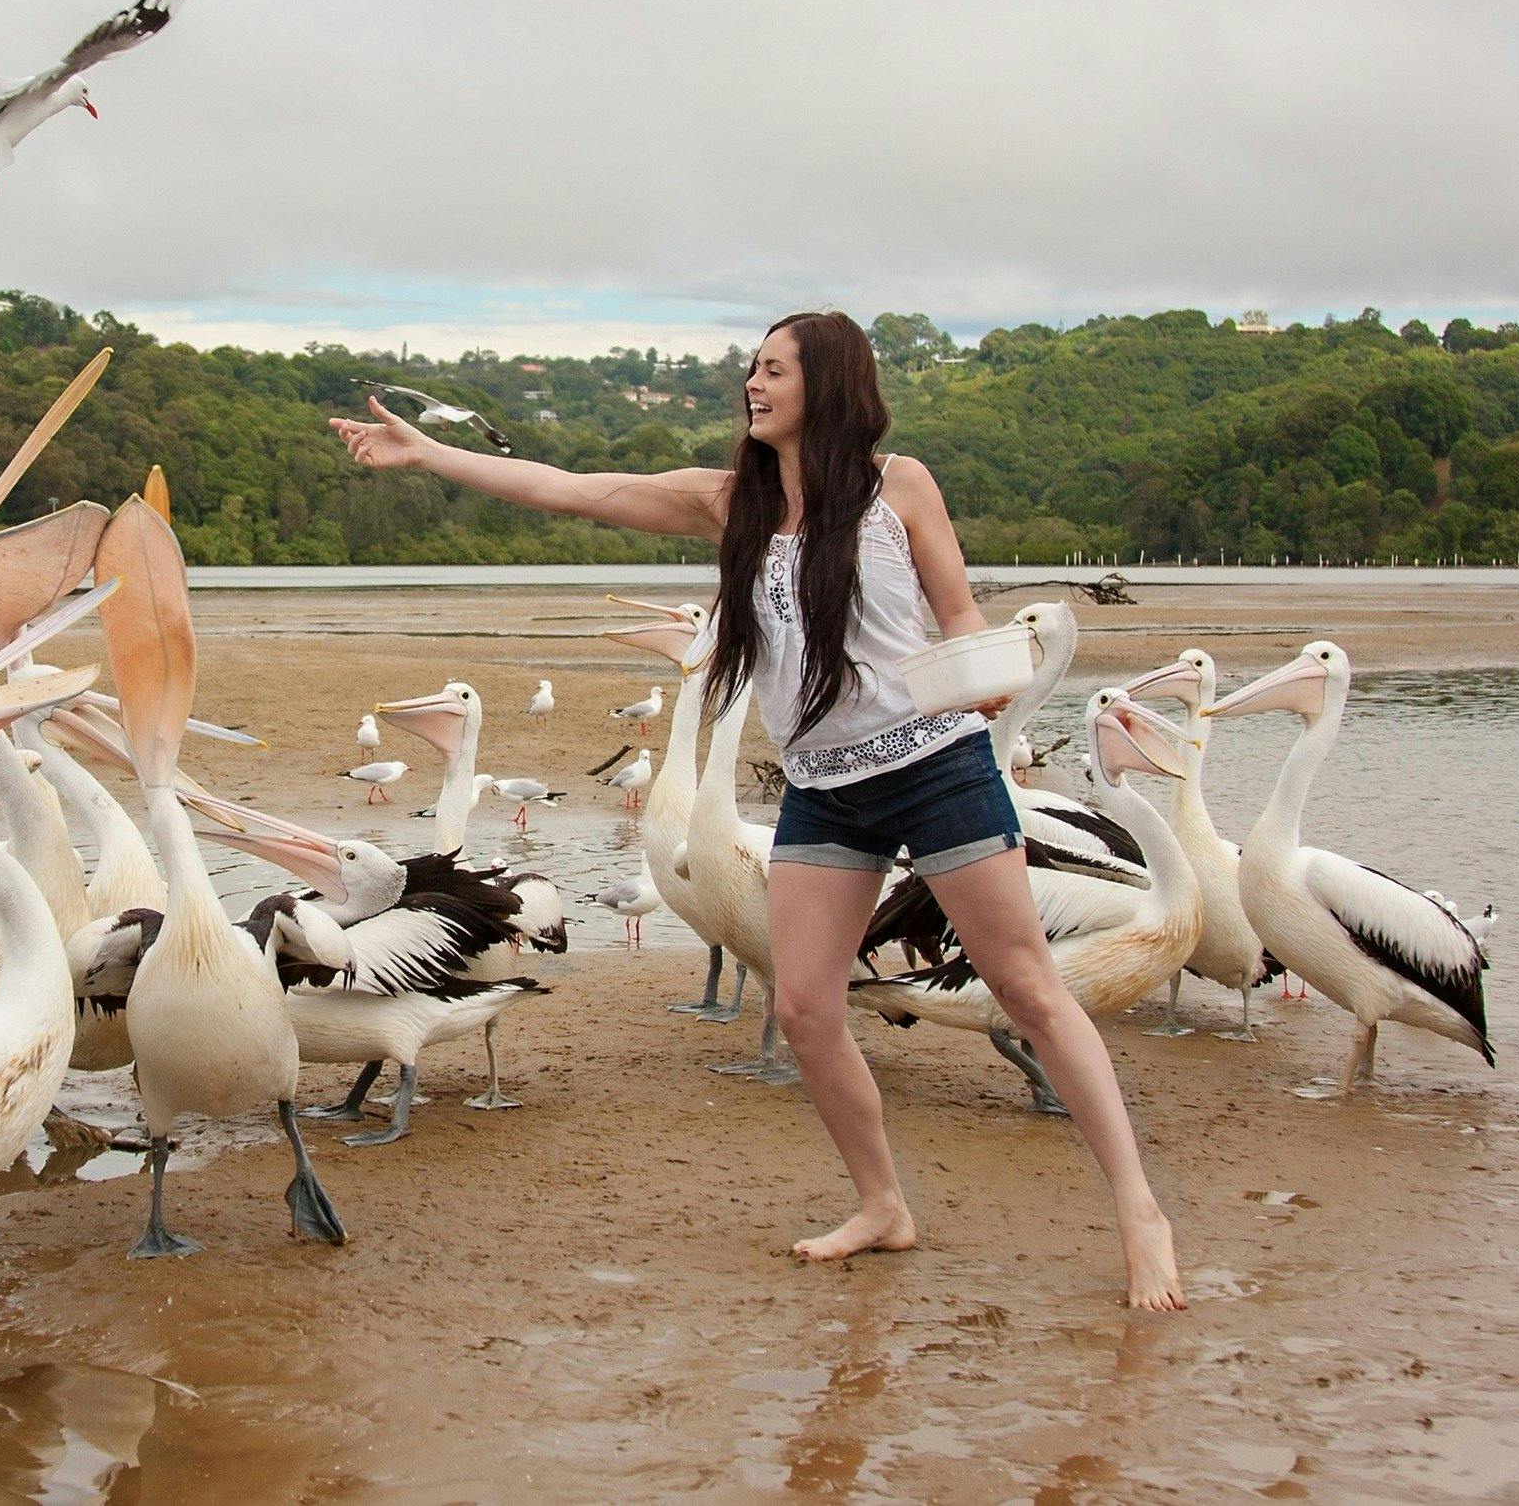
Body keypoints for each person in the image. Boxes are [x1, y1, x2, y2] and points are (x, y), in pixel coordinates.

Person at [331, 311, 1184, 1311]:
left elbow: (956, 609)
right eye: (752, 366)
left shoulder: (895, 485)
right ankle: (881, 1205)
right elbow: (576, 490)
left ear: (826, 383)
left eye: (774, 368)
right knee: (806, 1007)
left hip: (935, 761)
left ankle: (1137, 1209)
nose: (753, 382)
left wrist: (984, 672)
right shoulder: (726, 500)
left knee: (1029, 988)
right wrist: (429, 451)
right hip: (824, 784)